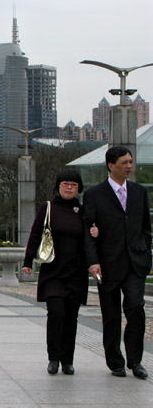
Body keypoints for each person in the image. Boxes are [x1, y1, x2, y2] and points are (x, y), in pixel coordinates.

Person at [83, 146, 152, 380]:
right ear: (111, 165)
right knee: (111, 315)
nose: (130, 166)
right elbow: (88, 231)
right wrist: (93, 262)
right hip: (108, 264)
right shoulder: (94, 194)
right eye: (125, 162)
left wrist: (146, 254)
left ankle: (136, 361)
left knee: (135, 308)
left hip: (135, 263)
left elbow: (146, 229)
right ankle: (115, 362)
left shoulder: (140, 192)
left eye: (131, 162)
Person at [22, 170, 97, 376]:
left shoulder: (83, 212)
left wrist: (96, 233)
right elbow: (35, 234)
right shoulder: (48, 208)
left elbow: (90, 240)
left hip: (76, 272)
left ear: (79, 188)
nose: (69, 187)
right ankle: (53, 358)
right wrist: (27, 261)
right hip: (53, 272)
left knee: (71, 317)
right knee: (56, 313)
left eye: (74, 184)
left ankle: (68, 360)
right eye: (65, 183)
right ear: (58, 186)